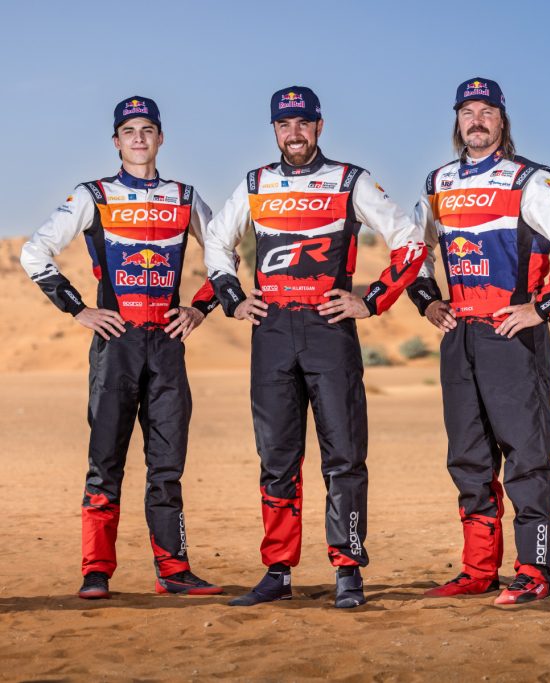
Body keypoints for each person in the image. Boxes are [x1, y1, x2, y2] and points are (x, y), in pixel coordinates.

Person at [204, 86, 426, 609]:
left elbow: (410, 238)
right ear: (275, 130)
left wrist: (371, 300)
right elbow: (216, 239)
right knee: (276, 458)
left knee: (344, 456)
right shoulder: (256, 182)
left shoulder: (349, 179)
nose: (294, 133)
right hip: (272, 330)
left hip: (330, 328)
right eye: (284, 125)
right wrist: (232, 297)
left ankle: (348, 569)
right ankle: (278, 571)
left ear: (319, 127)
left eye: (303, 123)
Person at [20, 96, 224, 599]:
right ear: (116, 141)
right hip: (116, 344)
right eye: (129, 131)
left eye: (147, 129)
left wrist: (201, 307)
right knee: (105, 462)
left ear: (160, 138)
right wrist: (77, 309)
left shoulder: (185, 196)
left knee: (167, 466)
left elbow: (225, 254)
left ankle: (173, 570)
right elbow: (34, 250)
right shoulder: (93, 194)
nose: (138, 138)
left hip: (167, 345)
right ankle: (96, 572)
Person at [407, 77, 550, 605]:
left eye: (486, 111)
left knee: (527, 455)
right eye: (467, 111)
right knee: (468, 458)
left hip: (512, 334)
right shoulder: (438, 182)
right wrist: (427, 300)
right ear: (457, 121)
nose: (476, 120)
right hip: (459, 335)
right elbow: (413, 249)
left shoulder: (530, 179)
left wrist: (542, 308)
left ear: (502, 120)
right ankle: (477, 570)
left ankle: (533, 570)